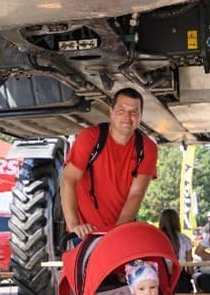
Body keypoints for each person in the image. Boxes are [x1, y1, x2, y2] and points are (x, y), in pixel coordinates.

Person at [62, 88, 159, 239]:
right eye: (121, 110)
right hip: (85, 233)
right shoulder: (90, 137)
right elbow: (68, 180)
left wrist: (117, 231)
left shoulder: (147, 148)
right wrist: (74, 226)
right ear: (111, 112)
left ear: (140, 116)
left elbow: (136, 193)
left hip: (119, 233)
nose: (128, 116)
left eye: (134, 112)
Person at [158, 208, 193, 295]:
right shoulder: (185, 239)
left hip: (162, 278)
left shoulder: (156, 238)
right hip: (180, 278)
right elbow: (190, 268)